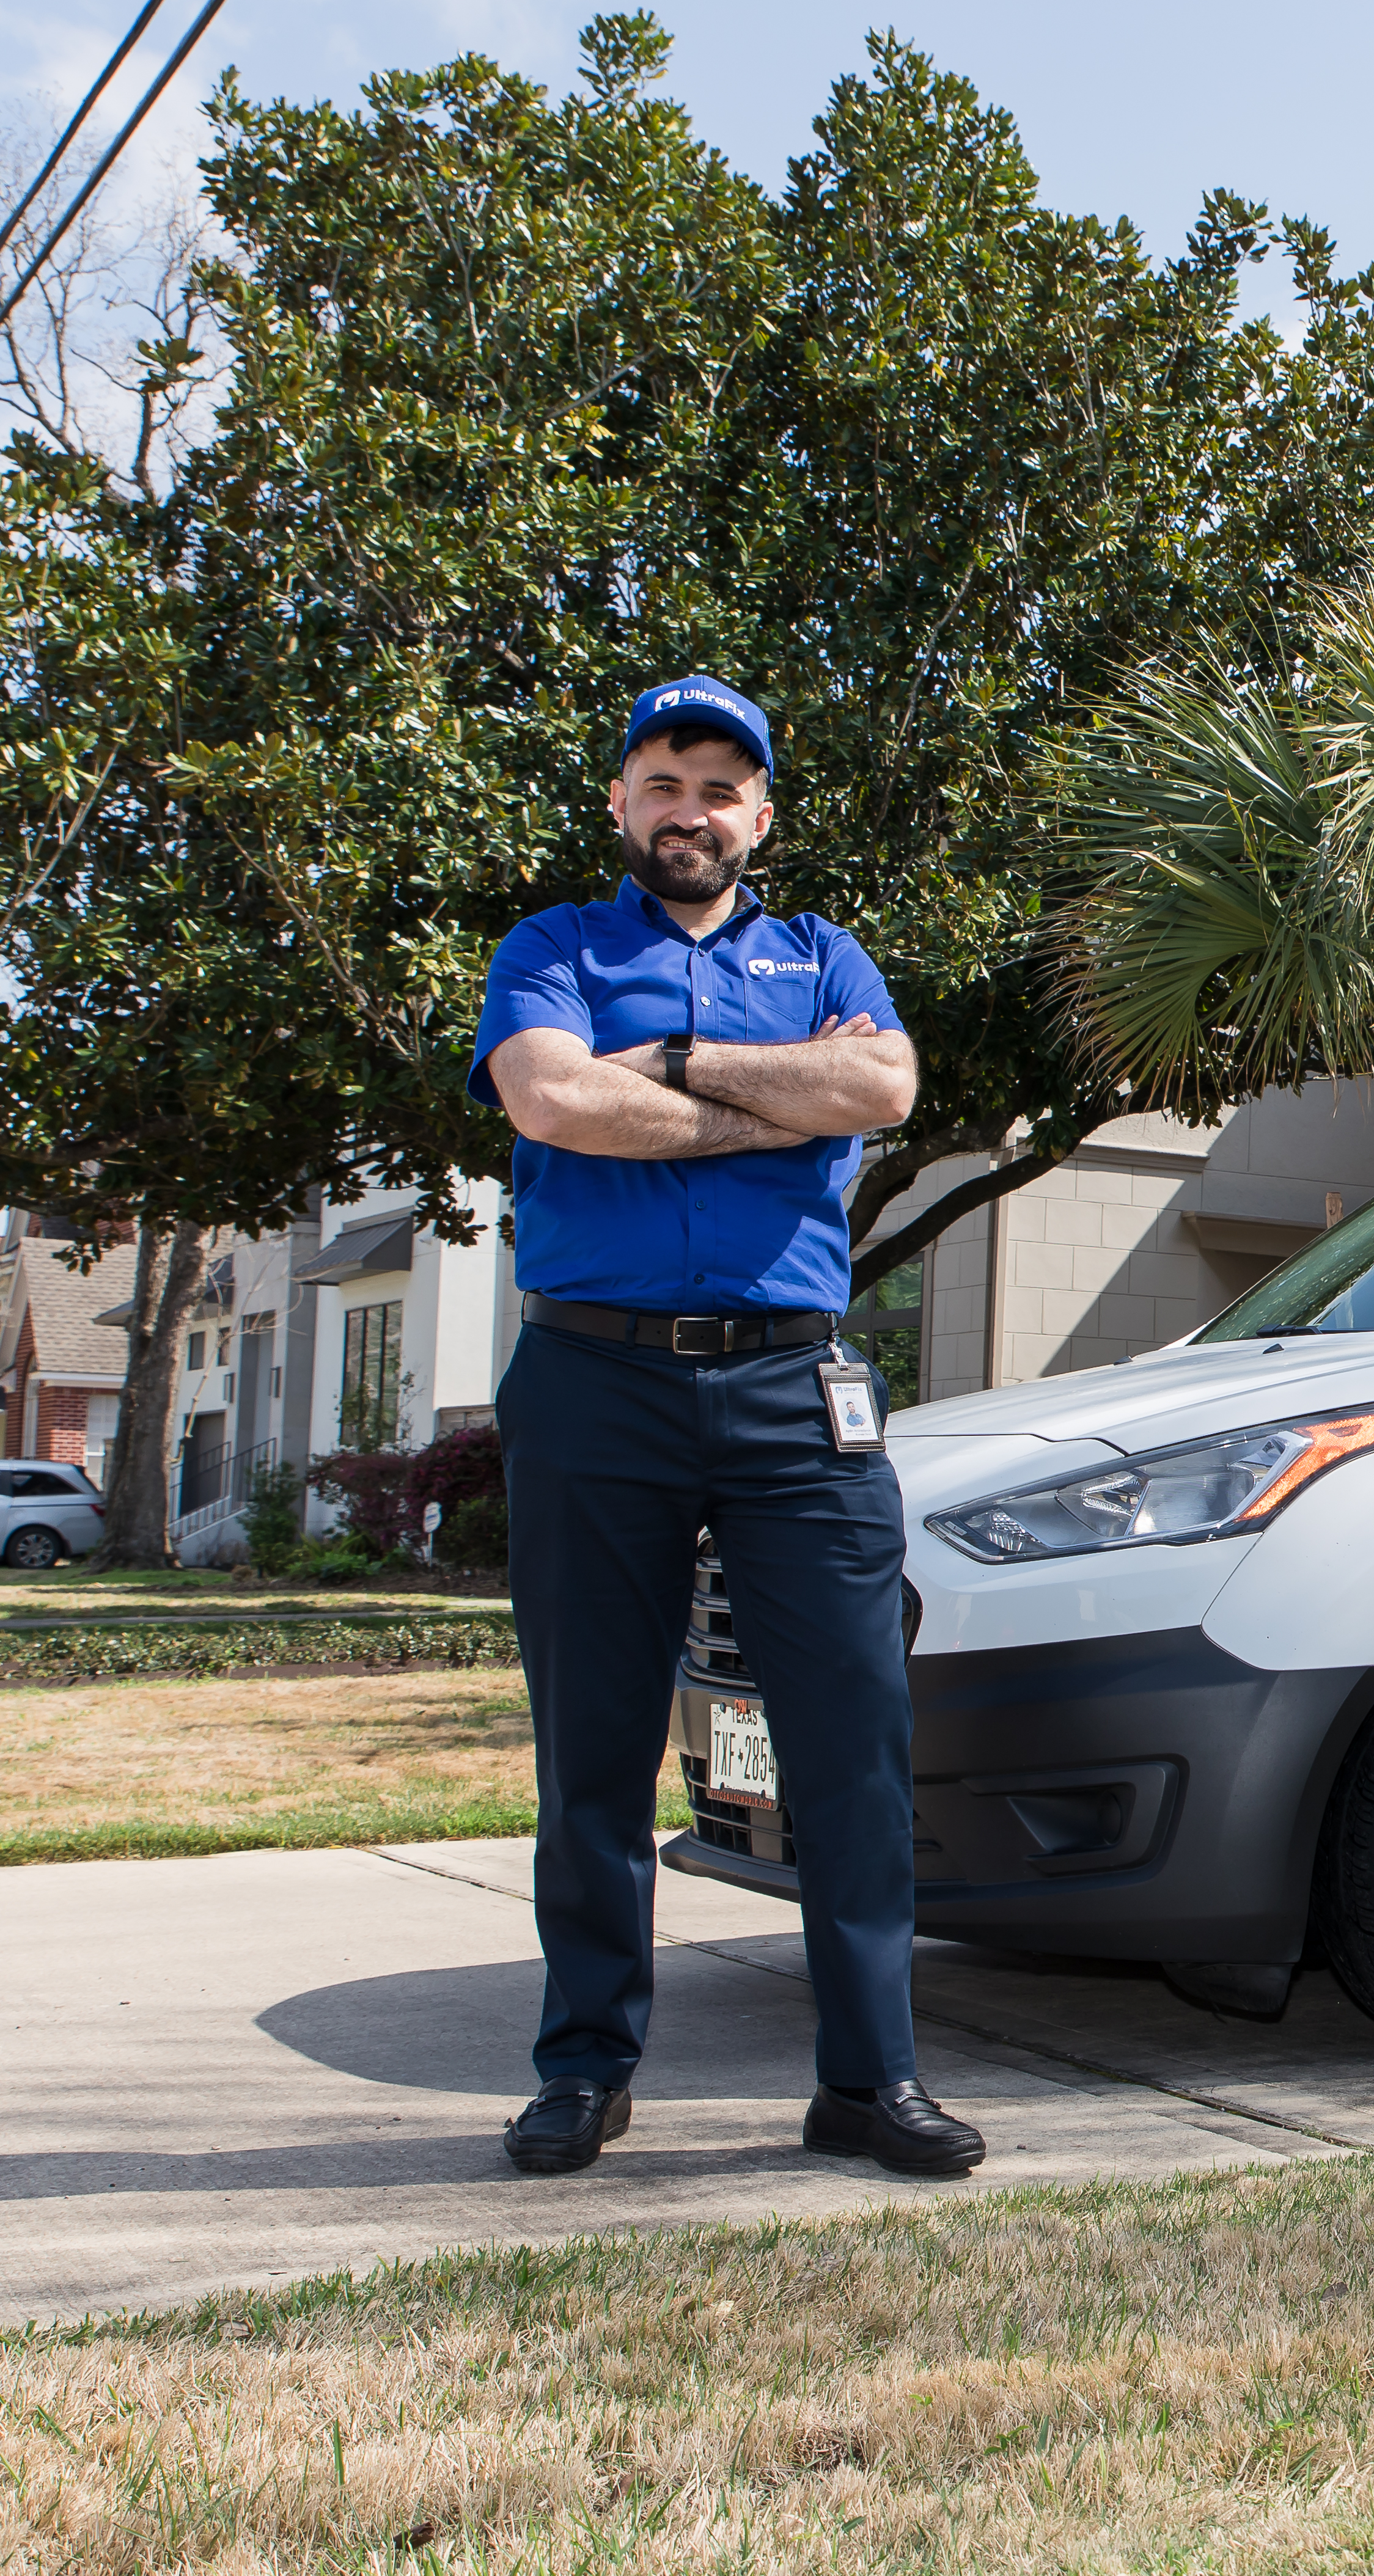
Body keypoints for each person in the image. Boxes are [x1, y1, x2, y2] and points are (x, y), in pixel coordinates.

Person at [469, 673, 983, 2179]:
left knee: (851, 1741)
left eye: (720, 786)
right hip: (592, 1381)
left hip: (791, 1390)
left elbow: (880, 1081)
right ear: (622, 805)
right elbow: (554, 1103)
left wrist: (679, 1067)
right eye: (662, 781)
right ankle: (584, 2070)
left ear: (761, 814)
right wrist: (781, 1107)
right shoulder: (551, 949)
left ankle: (868, 2080)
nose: (690, 809)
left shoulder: (824, 953)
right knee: (595, 1743)